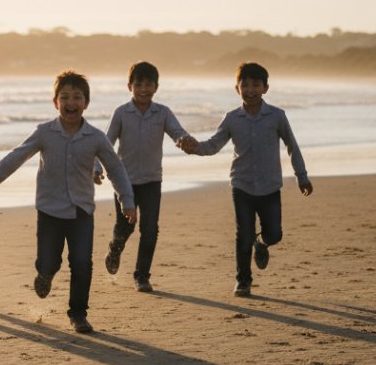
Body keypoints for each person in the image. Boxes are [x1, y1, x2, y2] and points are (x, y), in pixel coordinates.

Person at [0, 70, 135, 334]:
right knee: (49, 261)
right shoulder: (44, 133)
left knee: (82, 262)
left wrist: (127, 200)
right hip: (49, 210)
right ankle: (45, 274)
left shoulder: (95, 137)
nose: (71, 102)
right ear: (55, 102)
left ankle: (78, 314)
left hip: (82, 210)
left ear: (86, 103)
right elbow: (17, 157)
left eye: (77, 97)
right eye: (65, 97)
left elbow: (116, 169)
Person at [179, 62, 313, 297]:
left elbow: (292, 145)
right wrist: (193, 148)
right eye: (245, 85)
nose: (250, 90)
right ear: (237, 88)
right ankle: (243, 280)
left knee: (275, 234)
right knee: (244, 234)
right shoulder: (232, 118)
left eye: (256, 85)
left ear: (265, 88)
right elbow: (213, 145)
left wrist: (301, 176)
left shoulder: (277, 116)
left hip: (270, 185)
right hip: (241, 185)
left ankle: (261, 245)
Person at [100, 61, 195, 293]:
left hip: (152, 180)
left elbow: (177, 132)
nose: (143, 88)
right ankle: (116, 246)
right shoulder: (121, 113)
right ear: (129, 86)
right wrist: (97, 167)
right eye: (138, 83)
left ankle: (141, 276)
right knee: (126, 227)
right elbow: (105, 142)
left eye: (149, 84)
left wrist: (184, 140)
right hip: (125, 182)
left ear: (156, 87)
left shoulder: (162, 112)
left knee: (150, 229)